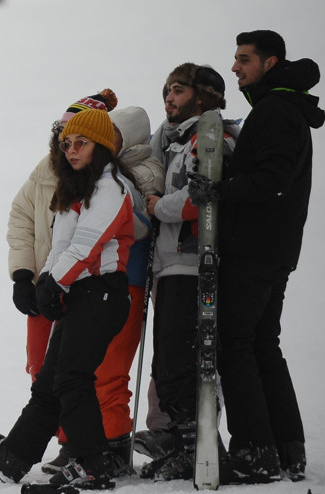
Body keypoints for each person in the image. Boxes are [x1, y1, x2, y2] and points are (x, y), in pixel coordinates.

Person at [188, 30, 325, 483]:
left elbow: (274, 179)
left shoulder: (275, 111)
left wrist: (219, 190)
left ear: (270, 63)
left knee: (236, 344)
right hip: (275, 248)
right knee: (264, 345)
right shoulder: (282, 110)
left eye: (244, 59)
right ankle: (287, 450)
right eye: (235, 58)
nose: (235, 68)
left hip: (254, 249)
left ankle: (255, 451)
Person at [0, 109, 137, 491]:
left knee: (72, 378)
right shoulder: (75, 188)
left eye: (80, 143)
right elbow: (60, 245)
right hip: (79, 293)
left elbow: (87, 245)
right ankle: (15, 455)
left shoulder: (111, 187)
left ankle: (92, 463)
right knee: (49, 381)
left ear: (100, 145)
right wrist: (44, 281)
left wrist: (55, 282)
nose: (71, 150)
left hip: (102, 292)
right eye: (66, 143)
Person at [139, 63, 241, 481]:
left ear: (203, 96)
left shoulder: (211, 136)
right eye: (166, 90)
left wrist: (157, 206)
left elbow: (201, 192)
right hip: (170, 263)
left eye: (178, 90)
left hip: (191, 261)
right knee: (168, 361)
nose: (169, 97)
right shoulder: (176, 138)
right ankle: (182, 445)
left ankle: (198, 445)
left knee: (181, 359)